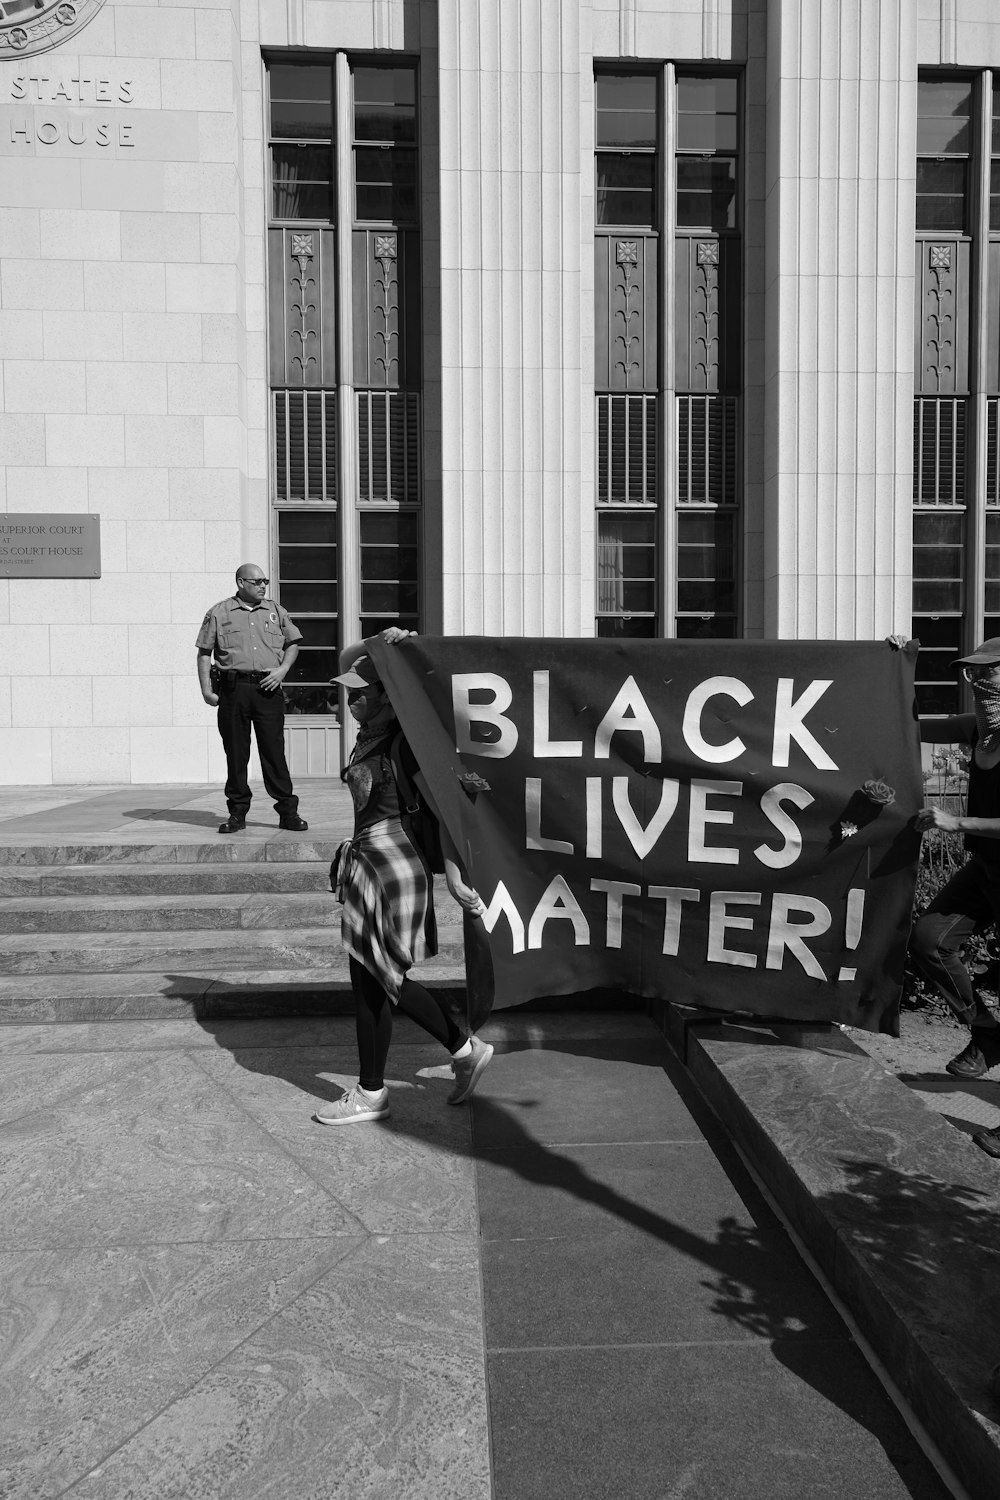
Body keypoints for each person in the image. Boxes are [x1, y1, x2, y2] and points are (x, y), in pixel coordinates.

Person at [317, 632, 493, 1125]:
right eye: (350, 692)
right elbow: (351, 656)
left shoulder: (406, 743)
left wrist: (456, 877)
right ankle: (445, 1058)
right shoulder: (370, 735)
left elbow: (447, 811)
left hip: (391, 864)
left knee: (379, 975)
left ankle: (393, 1082)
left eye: (362, 692)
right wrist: (379, 643)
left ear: (390, 697)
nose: (352, 699)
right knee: (372, 978)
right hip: (371, 862)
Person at [911, 636, 1000, 1158]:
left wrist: (955, 822)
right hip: (988, 871)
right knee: (928, 939)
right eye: (975, 677)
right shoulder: (975, 731)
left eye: (993, 675)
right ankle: (987, 1034)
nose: (983, 686)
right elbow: (911, 724)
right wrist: (894, 661)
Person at [196, 563, 308, 835]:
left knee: (273, 752)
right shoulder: (219, 612)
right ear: (240, 582)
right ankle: (237, 814)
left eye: (265, 581)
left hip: (267, 689)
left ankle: (287, 812)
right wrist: (206, 690)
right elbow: (204, 653)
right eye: (257, 581)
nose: (263, 585)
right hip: (233, 691)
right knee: (236, 753)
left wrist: (282, 671)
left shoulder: (276, 611)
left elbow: (292, 643)